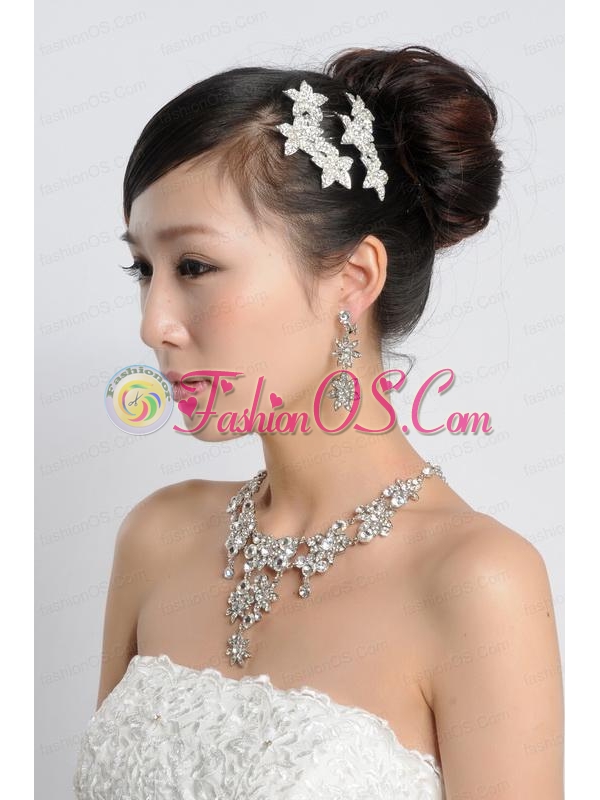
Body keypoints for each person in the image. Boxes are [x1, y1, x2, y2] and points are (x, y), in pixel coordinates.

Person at [73, 44, 563, 798]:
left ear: (353, 278)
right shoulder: (158, 535)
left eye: (194, 266)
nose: (154, 324)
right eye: (144, 269)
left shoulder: (476, 581)